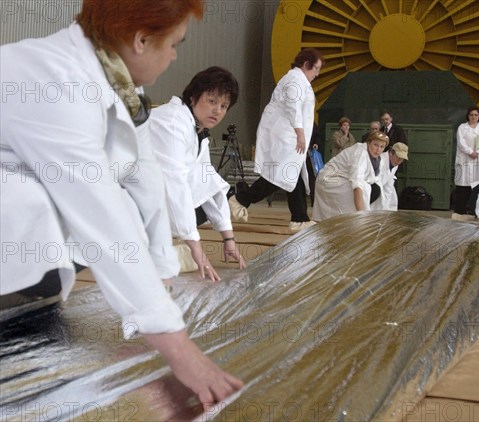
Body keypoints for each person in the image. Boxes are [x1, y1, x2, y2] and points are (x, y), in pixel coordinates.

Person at [0, 0, 243, 406]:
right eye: (174, 44)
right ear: (142, 40)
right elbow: (98, 212)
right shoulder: (54, 80)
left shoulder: (123, 88)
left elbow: (146, 180)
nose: (174, 56)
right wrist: (178, 349)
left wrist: (163, 282)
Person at [149, 67, 246, 281]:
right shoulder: (173, 123)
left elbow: (206, 181)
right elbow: (174, 184)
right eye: (211, 101)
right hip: (116, 200)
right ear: (193, 97)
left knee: (202, 198)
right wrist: (196, 247)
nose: (217, 111)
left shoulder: (196, 131)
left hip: (142, 202)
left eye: (223, 106)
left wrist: (228, 237)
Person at [228, 48, 324, 232]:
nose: (317, 74)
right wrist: (301, 134)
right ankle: (241, 198)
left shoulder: (298, 80)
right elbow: (293, 107)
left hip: (288, 134)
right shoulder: (295, 79)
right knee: (279, 176)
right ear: (306, 65)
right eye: (316, 69)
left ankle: (299, 218)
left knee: (290, 174)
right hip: (286, 135)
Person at [312, 132, 390, 221]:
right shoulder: (359, 153)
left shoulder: (376, 158)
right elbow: (357, 182)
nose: (378, 149)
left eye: (382, 147)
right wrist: (361, 217)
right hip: (329, 180)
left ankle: (357, 219)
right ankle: (356, 219)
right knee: (364, 189)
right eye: (375, 145)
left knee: (375, 188)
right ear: (368, 143)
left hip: (342, 178)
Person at [452, 106, 479, 218]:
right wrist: (470, 152)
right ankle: (460, 213)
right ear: (468, 116)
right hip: (464, 160)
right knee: (462, 186)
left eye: (476, 115)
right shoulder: (462, 127)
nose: (473, 117)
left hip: (477, 161)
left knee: (477, 186)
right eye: (471, 115)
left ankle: (474, 213)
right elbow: (461, 142)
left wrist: (477, 153)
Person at [371, 143, 409, 211]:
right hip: (371, 188)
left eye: (402, 159)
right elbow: (377, 183)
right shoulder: (380, 161)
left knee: (393, 197)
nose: (399, 161)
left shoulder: (395, 165)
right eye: (398, 157)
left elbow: (388, 186)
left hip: (380, 187)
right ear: (391, 152)